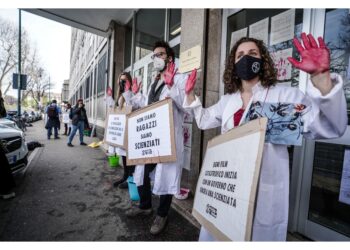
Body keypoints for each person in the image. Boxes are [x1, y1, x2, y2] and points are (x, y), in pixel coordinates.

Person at [183, 33, 347, 241]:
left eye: (253, 53)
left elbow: (331, 126)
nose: (246, 58)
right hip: (226, 187)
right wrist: (189, 95)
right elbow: (204, 120)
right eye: (240, 55)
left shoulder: (286, 96)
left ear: (263, 61)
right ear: (234, 65)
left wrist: (322, 78)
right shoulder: (227, 101)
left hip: (262, 192)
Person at [123, 40, 197, 235]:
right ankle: (145, 206)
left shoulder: (180, 78)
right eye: (154, 55)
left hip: (168, 139)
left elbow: (186, 105)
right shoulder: (154, 81)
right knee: (142, 171)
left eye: (160, 54)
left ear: (169, 58)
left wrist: (172, 86)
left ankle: (162, 214)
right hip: (151, 139)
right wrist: (130, 93)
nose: (156, 58)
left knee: (167, 176)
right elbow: (144, 105)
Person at [112, 72, 136, 189]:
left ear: (129, 81)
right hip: (122, 130)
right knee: (123, 156)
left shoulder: (133, 93)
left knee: (129, 157)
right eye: (121, 80)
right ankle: (125, 175)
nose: (122, 83)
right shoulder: (119, 95)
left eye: (125, 80)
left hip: (130, 131)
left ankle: (131, 178)